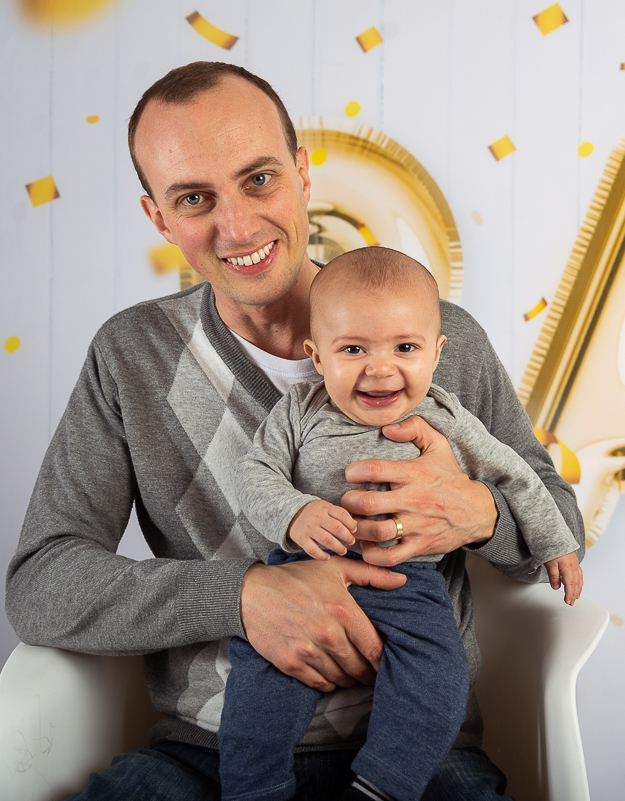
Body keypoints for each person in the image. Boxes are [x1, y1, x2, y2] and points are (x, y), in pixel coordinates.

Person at [4, 61, 584, 800]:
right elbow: (41, 585)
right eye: (194, 197)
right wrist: (244, 595)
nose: (238, 226)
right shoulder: (132, 356)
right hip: (207, 757)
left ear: (304, 175)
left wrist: (479, 513)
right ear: (158, 217)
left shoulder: (436, 337)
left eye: (258, 180)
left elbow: (560, 529)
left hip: (420, 759)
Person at [220, 246, 582, 801]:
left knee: (439, 677)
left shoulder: (447, 417)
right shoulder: (299, 410)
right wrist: (295, 513)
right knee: (261, 674)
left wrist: (556, 543)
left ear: (436, 354)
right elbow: (255, 475)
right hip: (301, 577)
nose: (380, 368)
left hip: (407, 585)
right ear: (318, 357)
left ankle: (383, 786)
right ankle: (253, 788)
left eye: (405, 348)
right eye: (354, 349)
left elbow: (517, 476)